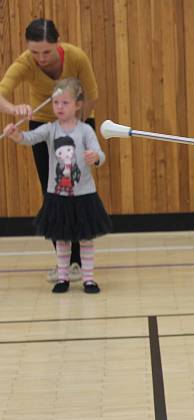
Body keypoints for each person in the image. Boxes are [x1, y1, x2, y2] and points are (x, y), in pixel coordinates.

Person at [0, 18, 100, 282]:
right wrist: (13, 109)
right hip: (45, 126)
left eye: (46, 51)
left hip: (79, 123)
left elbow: (91, 94)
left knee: (77, 190)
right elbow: (1, 93)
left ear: (58, 43)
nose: (40, 58)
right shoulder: (25, 63)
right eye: (34, 52)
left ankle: (79, 261)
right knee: (53, 193)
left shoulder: (76, 57)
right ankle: (64, 263)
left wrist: (76, 127)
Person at [3, 78, 110, 294]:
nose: (59, 107)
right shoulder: (50, 129)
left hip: (83, 195)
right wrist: (16, 134)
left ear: (77, 105)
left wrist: (95, 157)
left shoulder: (85, 131)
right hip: (58, 195)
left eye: (65, 103)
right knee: (61, 239)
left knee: (86, 238)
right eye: (56, 102)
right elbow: (29, 138)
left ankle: (88, 278)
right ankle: (63, 278)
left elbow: (100, 154)